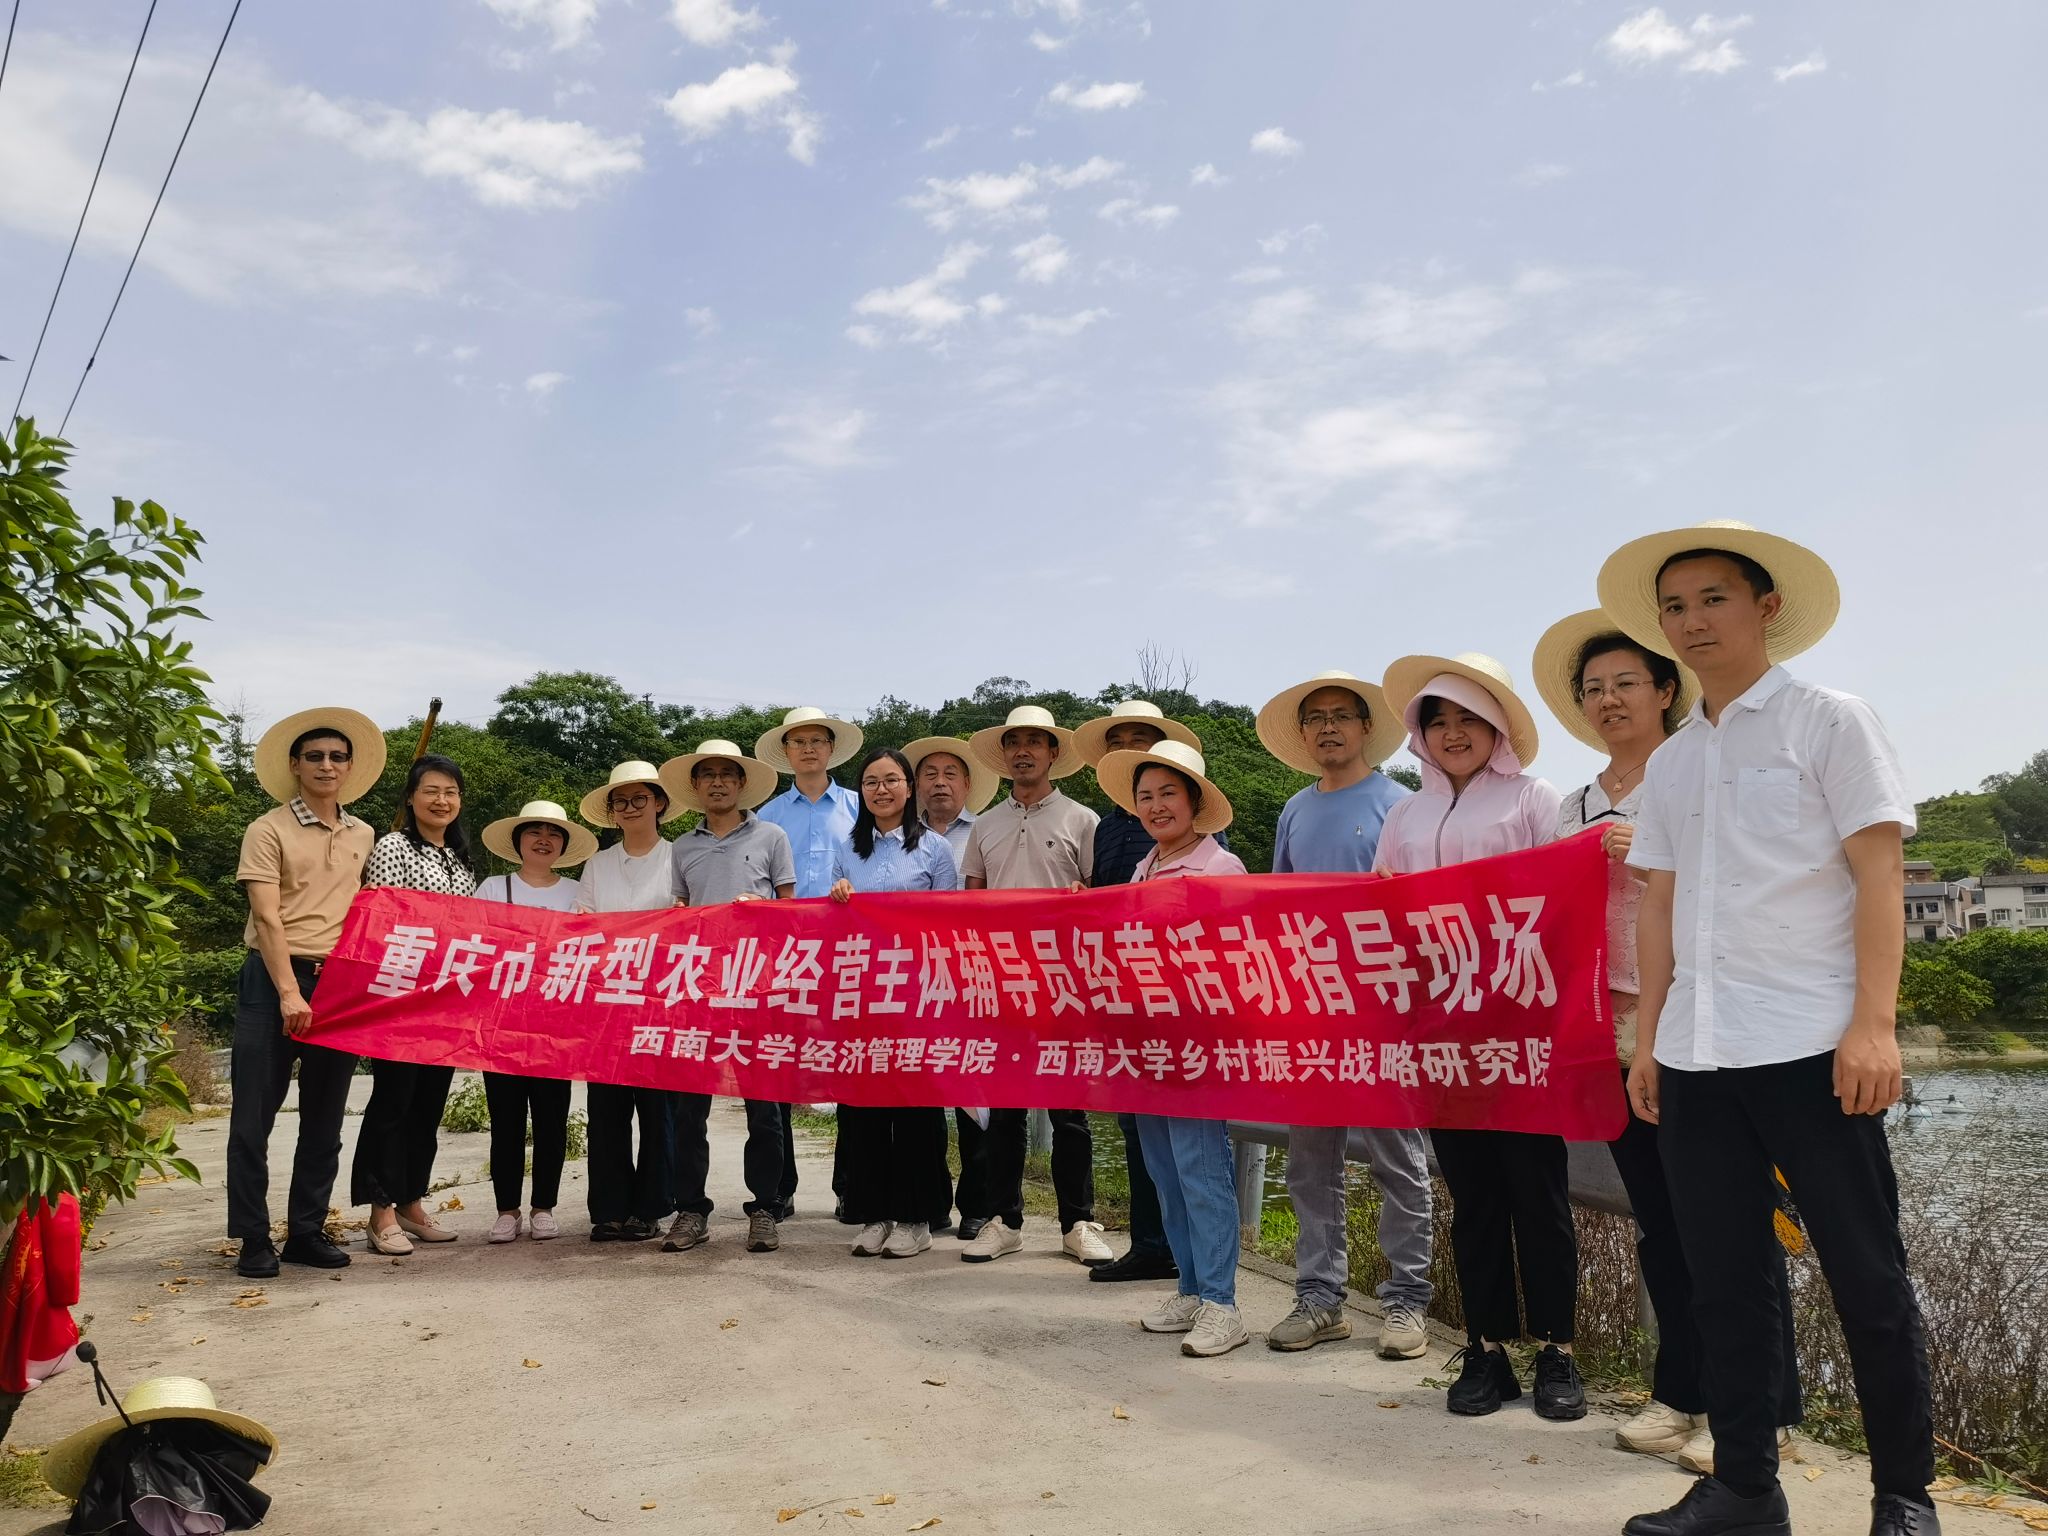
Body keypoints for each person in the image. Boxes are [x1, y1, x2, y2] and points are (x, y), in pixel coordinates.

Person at [1599, 523, 1938, 1536]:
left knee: (1865, 1274)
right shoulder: (1672, 762)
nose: (1691, 621)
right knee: (1724, 1279)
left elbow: (1878, 873)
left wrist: (1872, 1027)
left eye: (1712, 598)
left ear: (1764, 608)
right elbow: (1659, 904)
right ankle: (1746, 1489)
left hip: (1811, 1045)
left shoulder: (1827, 719)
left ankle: (1903, 1497)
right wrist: (1649, 1038)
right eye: (1673, 606)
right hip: (1697, 1052)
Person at [1534, 611, 1804, 1473]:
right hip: (1608, 1034)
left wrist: (1648, 857)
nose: (1610, 700)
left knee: (1728, 1221)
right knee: (1661, 1220)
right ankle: (1682, 1389)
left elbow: (1744, 879)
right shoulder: (1573, 804)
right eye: (1594, 689)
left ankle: (1763, 1407)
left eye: (1626, 683)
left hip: (1695, 1024)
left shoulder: (1696, 771)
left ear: (1663, 691)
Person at [1375, 653, 1580, 1421]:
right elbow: (1380, 919)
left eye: (1469, 719)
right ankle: (1485, 1349)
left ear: (1498, 727)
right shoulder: (1404, 816)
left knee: (1539, 1194)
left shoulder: (1533, 798)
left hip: (1520, 1031)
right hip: (1441, 1037)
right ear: (1419, 733)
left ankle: (1557, 1351)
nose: (1453, 733)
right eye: (1438, 720)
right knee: (1474, 1198)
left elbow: (1563, 904)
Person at [1253, 670, 1433, 1360]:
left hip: (1384, 1009)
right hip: (1313, 1010)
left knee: (1397, 1158)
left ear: (1366, 728)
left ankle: (1407, 1301)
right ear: (1304, 735)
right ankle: (1319, 1298)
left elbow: (1424, 910)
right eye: (1316, 718)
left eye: (1341, 715)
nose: (1328, 727)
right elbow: (1278, 912)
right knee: (1310, 1163)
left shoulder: (1402, 806)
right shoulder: (1295, 810)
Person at [1095, 737, 1253, 1357]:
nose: (1156, 806)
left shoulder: (1221, 869)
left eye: (1168, 794)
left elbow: (1235, 960)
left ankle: (1222, 1303)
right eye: (1146, 797)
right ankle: (1190, 1287)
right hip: (1146, 1046)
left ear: (1195, 802)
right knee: (1164, 1171)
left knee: (1202, 1170)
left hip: (1196, 1047)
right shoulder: (1143, 868)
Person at [227, 707, 385, 1280]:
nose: (326, 765)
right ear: (294, 765)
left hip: (339, 984)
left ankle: (306, 1232)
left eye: (337, 757)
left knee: (324, 1118)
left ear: (349, 767)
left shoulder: (364, 834)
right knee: (253, 1118)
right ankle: (252, 1238)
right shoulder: (267, 829)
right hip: (272, 983)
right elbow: (267, 918)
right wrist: (291, 994)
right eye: (314, 756)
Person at [957, 704, 1111, 1266]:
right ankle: (1004, 1220)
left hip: (1064, 983)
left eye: (1034, 741)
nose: (1023, 750)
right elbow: (971, 901)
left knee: (1069, 1110)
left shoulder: (1082, 819)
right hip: (1001, 982)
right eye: (1013, 741)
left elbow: (1097, 900)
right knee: (1005, 1109)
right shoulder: (985, 825)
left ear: (1053, 753)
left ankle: (1078, 1222)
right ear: (1004, 755)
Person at [1071, 701, 1205, 1286]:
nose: (1128, 746)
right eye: (1117, 739)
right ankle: (1152, 1244)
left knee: (1192, 1146)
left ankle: (1201, 1274)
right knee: (1137, 1130)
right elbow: (1112, 909)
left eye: (1140, 738)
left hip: (1183, 1008)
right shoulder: (1109, 830)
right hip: (1127, 1000)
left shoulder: (1204, 841)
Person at [659, 739, 796, 1257]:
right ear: (695, 786)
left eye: (727, 774)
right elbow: (679, 908)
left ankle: (765, 1208)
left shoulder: (771, 836)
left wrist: (761, 907)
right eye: (708, 775)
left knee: (764, 1110)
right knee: (688, 1109)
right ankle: (691, 1209)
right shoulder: (682, 846)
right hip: (698, 992)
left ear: (742, 784)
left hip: (758, 989)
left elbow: (791, 910)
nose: (717, 782)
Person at [827, 746, 959, 1259]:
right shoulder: (848, 848)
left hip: (915, 997)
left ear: (909, 787)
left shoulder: (935, 849)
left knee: (914, 1111)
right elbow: (832, 924)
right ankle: (875, 1213)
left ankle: (916, 1217)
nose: (881, 790)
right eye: (870, 782)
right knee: (863, 1112)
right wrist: (838, 892)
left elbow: (949, 924)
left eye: (890, 780)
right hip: (862, 997)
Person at [351, 754, 480, 1255]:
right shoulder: (394, 847)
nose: (441, 801)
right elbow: (380, 920)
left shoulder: (461, 859)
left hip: (446, 1004)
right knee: (393, 1103)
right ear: (410, 797)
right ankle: (380, 1209)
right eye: (431, 791)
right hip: (400, 999)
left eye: (451, 792)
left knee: (428, 1106)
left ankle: (411, 1201)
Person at [757, 706, 865, 1222]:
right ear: (786, 752)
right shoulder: (769, 815)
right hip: (787, 955)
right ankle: (780, 1188)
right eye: (797, 741)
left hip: (851, 953)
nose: (807, 749)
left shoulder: (859, 806)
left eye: (816, 740)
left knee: (850, 1067)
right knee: (779, 1069)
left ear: (830, 748)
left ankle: (850, 1186)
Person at [474, 800, 597, 1244]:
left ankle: (544, 1206)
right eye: (534, 832)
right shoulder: (494, 888)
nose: (543, 840)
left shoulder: (578, 893)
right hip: (503, 1022)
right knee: (505, 1119)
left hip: (556, 1023)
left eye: (553, 833)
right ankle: (506, 1209)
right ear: (518, 841)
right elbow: (474, 944)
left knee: (551, 1118)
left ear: (563, 845)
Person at [577, 761, 688, 1244]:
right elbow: (582, 922)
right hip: (606, 1002)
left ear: (660, 803)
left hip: (661, 1001)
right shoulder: (597, 864)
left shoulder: (678, 856)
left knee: (658, 1109)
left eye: (639, 798)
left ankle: (652, 1207)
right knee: (606, 1110)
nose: (629, 808)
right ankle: (609, 1208)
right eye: (620, 801)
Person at [902, 735, 1002, 1240]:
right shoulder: (897, 838)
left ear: (967, 784)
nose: (939, 783)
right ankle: (930, 1201)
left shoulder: (985, 832)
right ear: (915, 785)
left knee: (975, 1093)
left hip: (975, 980)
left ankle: (978, 1206)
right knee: (920, 1097)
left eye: (950, 775)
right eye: (929, 774)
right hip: (912, 983)